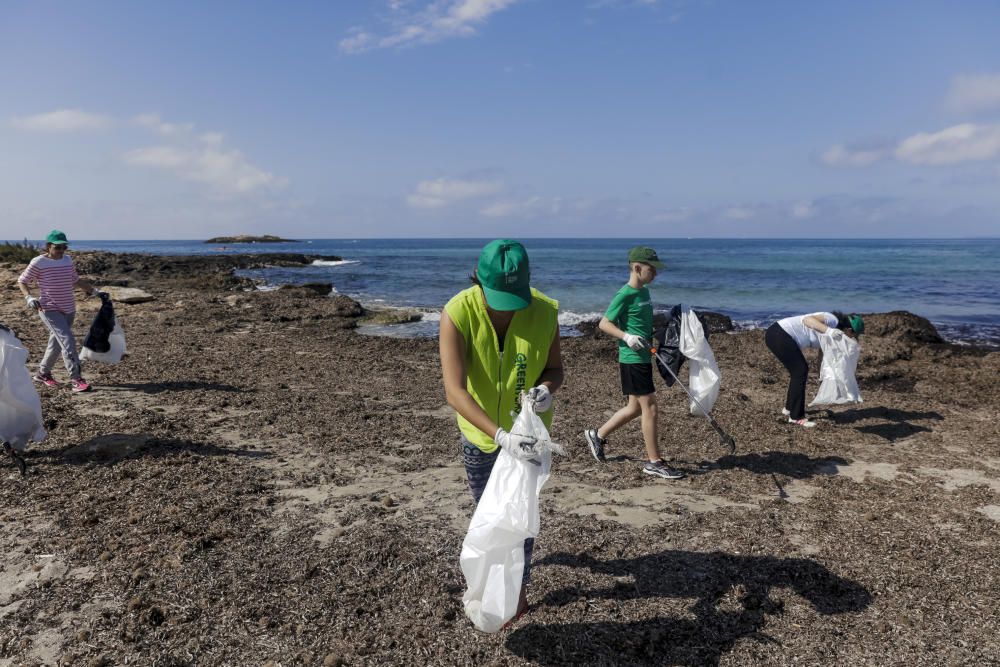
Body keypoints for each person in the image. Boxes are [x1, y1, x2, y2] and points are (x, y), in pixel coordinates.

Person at [439, 239, 563, 620]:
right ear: (478, 282)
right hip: (481, 437)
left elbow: (556, 370)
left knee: (520, 518)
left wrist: (545, 389)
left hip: (527, 440)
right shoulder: (458, 313)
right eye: (497, 298)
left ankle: (517, 595)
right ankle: (494, 581)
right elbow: (455, 391)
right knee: (490, 515)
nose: (507, 309)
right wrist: (498, 435)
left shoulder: (543, 312)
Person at [584, 246, 686, 480]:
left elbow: (642, 321)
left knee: (634, 408)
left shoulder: (644, 292)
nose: (656, 274)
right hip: (631, 360)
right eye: (652, 269)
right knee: (650, 407)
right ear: (637, 268)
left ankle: (597, 435)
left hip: (643, 357)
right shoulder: (625, 293)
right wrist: (627, 337)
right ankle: (654, 462)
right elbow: (604, 323)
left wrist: (667, 319)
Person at [17, 230, 103, 393]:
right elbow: (22, 281)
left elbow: (75, 280)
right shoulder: (39, 262)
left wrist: (95, 292)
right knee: (68, 340)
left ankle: (42, 374)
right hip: (48, 308)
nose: (61, 250)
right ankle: (76, 379)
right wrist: (29, 298)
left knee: (56, 343)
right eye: (57, 247)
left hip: (69, 308)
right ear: (48, 246)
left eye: (64, 247)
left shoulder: (67, 260)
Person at [764, 311, 864, 427]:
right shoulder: (832, 320)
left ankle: (789, 409)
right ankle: (796, 417)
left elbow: (823, 352)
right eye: (855, 335)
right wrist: (829, 330)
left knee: (798, 372)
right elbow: (807, 320)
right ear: (849, 330)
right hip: (779, 334)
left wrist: (821, 375)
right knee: (800, 371)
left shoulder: (836, 335)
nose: (854, 338)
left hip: (778, 335)